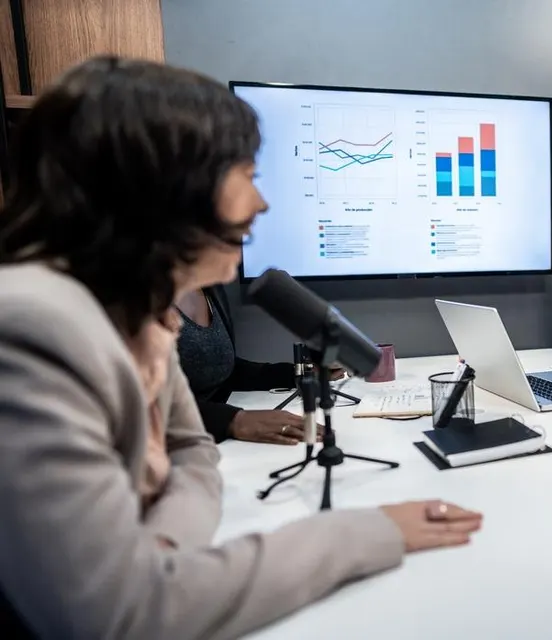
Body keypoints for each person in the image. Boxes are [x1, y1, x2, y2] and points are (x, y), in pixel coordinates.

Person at [0, 56, 482, 640]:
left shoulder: (142, 314)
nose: (261, 203)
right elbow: (120, 614)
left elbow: (191, 450)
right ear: (167, 185)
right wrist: (360, 534)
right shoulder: (30, 328)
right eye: (247, 175)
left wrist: (161, 547)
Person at [176, 284, 303, 445]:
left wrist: (298, 373)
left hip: (216, 441)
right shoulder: (146, 300)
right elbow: (152, 405)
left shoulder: (212, 290)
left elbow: (222, 369)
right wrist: (233, 420)